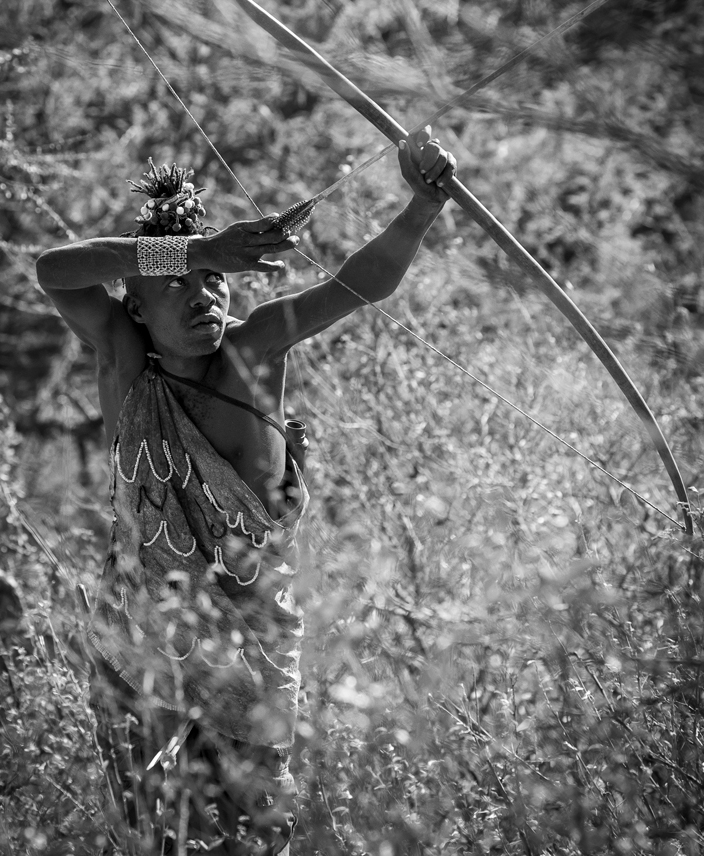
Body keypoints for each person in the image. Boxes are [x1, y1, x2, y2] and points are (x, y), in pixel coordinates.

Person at [36, 128, 457, 855]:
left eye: (214, 281)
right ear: (136, 307)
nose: (202, 295)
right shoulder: (121, 356)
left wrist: (422, 205)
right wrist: (196, 250)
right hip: (138, 643)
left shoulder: (253, 346)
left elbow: (362, 282)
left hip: (251, 655)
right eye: (179, 284)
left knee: (250, 836)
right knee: (148, 830)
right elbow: (55, 270)